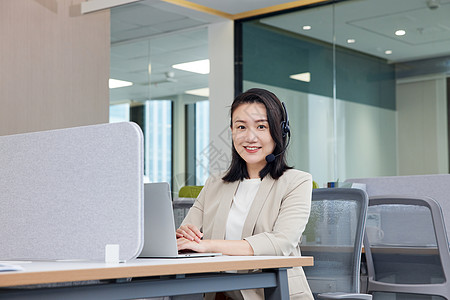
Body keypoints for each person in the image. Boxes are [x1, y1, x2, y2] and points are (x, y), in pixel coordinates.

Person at [176, 88, 314, 300]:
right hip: (220, 294)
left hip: (274, 294)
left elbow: (280, 243)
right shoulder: (214, 184)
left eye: (261, 126)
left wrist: (206, 245)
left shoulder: (296, 182)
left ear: (279, 131)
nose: (250, 137)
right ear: (232, 131)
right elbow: (186, 237)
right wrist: (184, 238)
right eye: (241, 127)